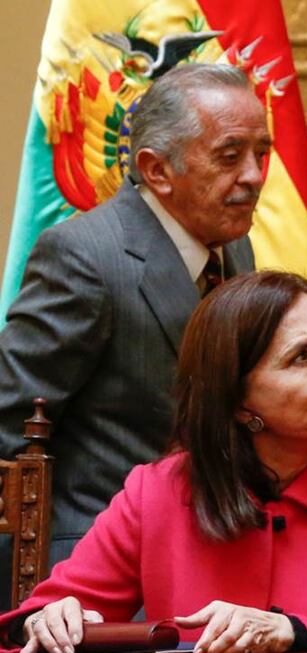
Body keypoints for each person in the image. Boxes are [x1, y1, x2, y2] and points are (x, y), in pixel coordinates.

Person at [0, 271, 307, 653]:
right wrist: (48, 621)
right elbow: (40, 618)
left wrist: (294, 634)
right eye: (302, 357)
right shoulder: (158, 492)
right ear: (238, 403)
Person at [0, 63, 262, 569]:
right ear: (157, 169)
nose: (253, 176)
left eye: (261, 154)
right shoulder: (84, 257)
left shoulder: (235, 245)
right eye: (230, 156)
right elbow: (9, 425)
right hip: (99, 567)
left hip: (217, 547)